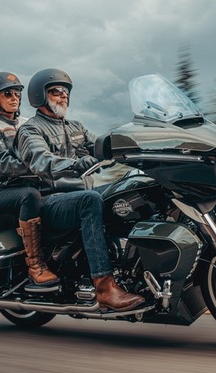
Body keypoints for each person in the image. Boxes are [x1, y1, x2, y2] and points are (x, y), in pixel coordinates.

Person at [16, 68, 145, 311]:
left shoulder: (76, 127)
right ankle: (105, 287)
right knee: (90, 200)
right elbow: (40, 160)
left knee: (134, 185)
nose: (63, 96)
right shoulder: (30, 130)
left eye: (65, 92)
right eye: (55, 91)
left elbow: (101, 145)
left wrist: (135, 148)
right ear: (39, 96)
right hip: (51, 201)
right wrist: (75, 164)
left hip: (82, 195)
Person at [0, 71, 58, 286]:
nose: (15, 98)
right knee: (30, 196)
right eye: (8, 94)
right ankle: (35, 265)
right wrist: (40, 168)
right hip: (1, 188)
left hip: (31, 182)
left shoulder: (27, 123)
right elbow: (2, 163)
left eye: (17, 93)